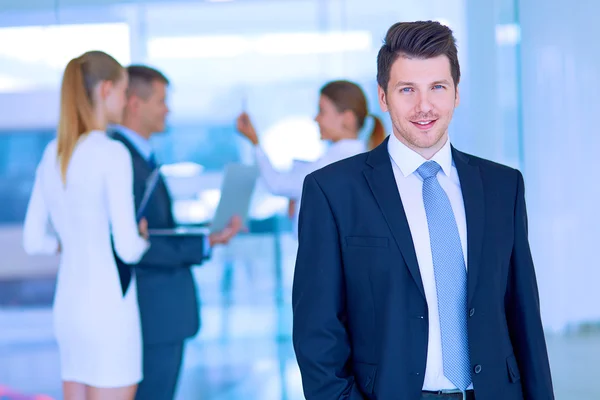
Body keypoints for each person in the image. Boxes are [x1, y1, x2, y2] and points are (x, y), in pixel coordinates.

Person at [292, 21, 554, 400]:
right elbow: (317, 331)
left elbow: (524, 316)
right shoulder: (332, 191)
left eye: (437, 87)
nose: (424, 106)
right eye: (406, 90)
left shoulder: (502, 187)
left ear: (456, 93)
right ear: (383, 97)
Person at [108, 65, 242, 400]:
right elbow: (136, 244)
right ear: (135, 103)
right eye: (161, 100)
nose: (168, 109)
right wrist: (203, 242)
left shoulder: (140, 156)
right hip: (151, 314)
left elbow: (153, 229)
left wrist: (204, 235)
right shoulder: (120, 159)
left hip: (159, 313)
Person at [22, 51, 149, 400]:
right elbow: (127, 247)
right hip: (108, 308)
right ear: (106, 89)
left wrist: (67, 242)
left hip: (69, 308)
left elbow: (33, 240)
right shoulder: (112, 153)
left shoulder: (54, 153)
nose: (126, 102)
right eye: (124, 92)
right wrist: (141, 237)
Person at [236, 80, 386, 231]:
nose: (316, 118)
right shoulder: (365, 160)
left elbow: (276, 183)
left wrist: (254, 142)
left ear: (347, 118)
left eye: (322, 111)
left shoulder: (332, 165)